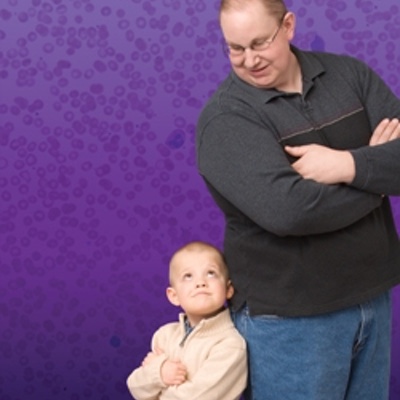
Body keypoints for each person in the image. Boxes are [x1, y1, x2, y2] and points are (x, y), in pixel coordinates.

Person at [196, 0, 400, 399]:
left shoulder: (350, 75)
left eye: (260, 42)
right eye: (235, 48)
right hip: (291, 321)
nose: (249, 59)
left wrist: (345, 165)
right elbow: (289, 211)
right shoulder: (227, 120)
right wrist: (377, 180)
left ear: (288, 26)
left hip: (372, 297)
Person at [126, 241, 247, 400]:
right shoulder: (164, 336)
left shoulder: (230, 345)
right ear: (173, 296)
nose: (200, 283)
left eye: (211, 273)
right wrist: (159, 372)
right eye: (188, 276)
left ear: (228, 289)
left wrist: (156, 384)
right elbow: (135, 387)